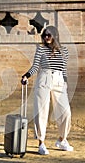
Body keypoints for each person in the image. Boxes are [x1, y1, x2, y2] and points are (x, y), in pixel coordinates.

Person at [21, 25, 73, 155]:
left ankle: (62, 139)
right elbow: (35, 66)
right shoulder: (41, 49)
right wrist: (26, 75)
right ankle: (41, 143)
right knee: (41, 111)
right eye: (44, 35)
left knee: (66, 112)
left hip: (59, 80)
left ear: (55, 35)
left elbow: (64, 69)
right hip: (44, 78)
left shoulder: (64, 51)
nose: (46, 37)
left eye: (49, 35)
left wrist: (65, 83)